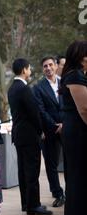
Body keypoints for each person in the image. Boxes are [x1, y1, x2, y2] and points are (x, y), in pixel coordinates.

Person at [8, 59, 52, 215]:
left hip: (19, 135)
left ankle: (26, 203)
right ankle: (34, 205)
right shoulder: (24, 89)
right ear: (24, 70)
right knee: (32, 170)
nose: (30, 70)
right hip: (29, 135)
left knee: (23, 171)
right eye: (29, 68)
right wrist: (41, 130)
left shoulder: (12, 88)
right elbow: (34, 112)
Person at [60, 41, 87, 215]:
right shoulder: (75, 75)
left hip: (76, 133)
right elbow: (85, 109)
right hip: (78, 134)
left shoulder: (76, 74)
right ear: (79, 55)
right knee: (79, 182)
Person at [34, 57, 65, 207]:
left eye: (51, 65)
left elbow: (70, 104)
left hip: (68, 128)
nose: (48, 68)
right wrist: (55, 125)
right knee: (51, 165)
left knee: (72, 161)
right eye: (45, 66)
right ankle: (58, 194)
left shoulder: (65, 83)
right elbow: (41, 110)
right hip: (50, 130)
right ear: (43, 69)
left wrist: (64, 124)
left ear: (56, 66)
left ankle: (73, 191)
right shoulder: (38, 88)